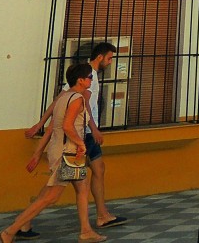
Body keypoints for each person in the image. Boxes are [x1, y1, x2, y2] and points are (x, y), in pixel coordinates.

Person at [0, 64, 106, 243]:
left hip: (62, 150)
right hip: (67, 152)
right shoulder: (77, 99)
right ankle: (10, 231)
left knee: (82, 187)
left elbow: (51, 129)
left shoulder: (64, 98)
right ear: (80, 80)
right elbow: (67, 127)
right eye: (89, 77)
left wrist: (38, 153)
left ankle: (86, 231)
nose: (91, 80)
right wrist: (80, 144)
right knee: (51, 196)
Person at [26, 42, 127, 230]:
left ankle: (100, 215)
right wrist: (94, 128)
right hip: (85, 134)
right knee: (57, 187)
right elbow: (84, 103)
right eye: (110, 58)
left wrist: (40, 124)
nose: (111, 62)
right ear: (100, 57)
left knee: (96, 171)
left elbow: (58, 100)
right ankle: (22, 224)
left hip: (84, 133)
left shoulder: (83, 75)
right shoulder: (89, 77)